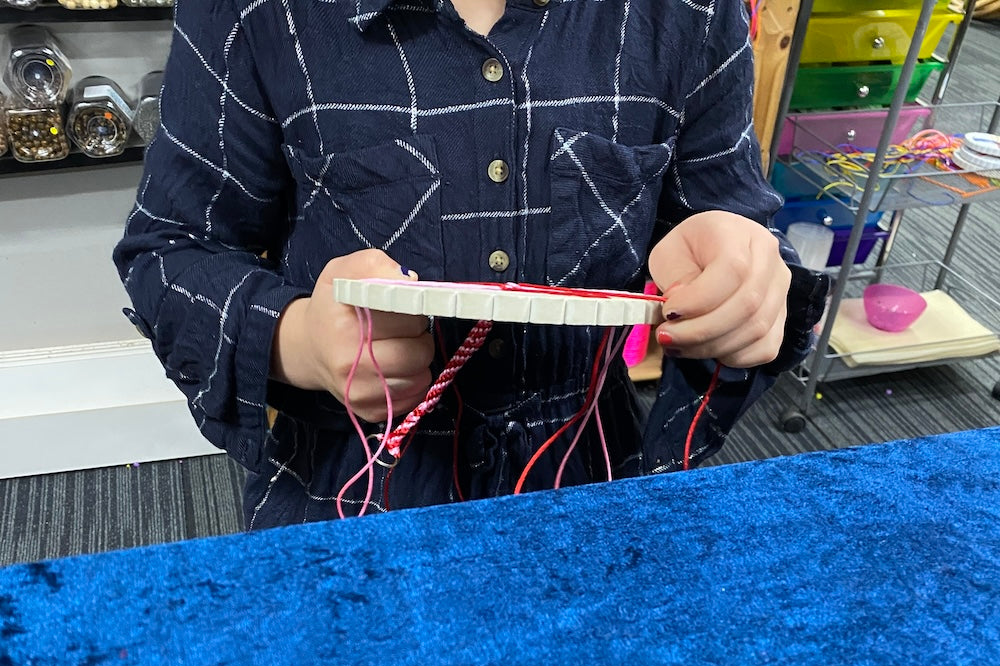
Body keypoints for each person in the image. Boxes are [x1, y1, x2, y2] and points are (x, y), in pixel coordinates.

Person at [114, 0, 829, 529]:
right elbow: (170, 253)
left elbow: (740, 234)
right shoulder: (255, 13)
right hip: (347, 505)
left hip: (595, 493)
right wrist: (298, 338)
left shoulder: (690, 13)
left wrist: (749, 282)